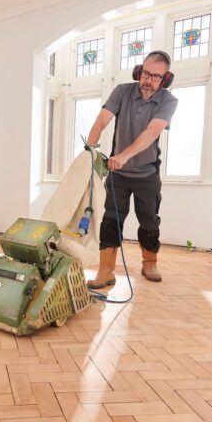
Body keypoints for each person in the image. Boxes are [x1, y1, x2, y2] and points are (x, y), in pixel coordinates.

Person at [85, 50, 178, 288]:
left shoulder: (168, 101)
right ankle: (106, 271)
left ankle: (149, 263)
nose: (149, 80)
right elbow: (102, 120)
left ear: (165, 78)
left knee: (149, 221)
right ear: (139, 71)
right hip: (118, 176)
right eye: (146, 73)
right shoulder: (122, 92)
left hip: (147, 174)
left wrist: (123, 156)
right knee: (110, 220)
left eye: (156, 76)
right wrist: (90, 150)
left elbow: (152, 132)